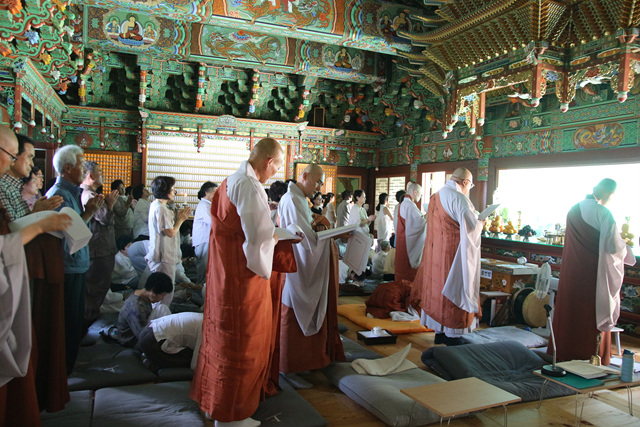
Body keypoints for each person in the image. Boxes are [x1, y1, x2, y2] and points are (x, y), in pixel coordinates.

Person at [191, 138, 297, 427]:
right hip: (243, 276)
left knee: (223, 338)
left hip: (226, 272)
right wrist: (280, 236)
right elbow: (259, 238)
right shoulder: (249, 185)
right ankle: (233, 415)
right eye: (276, 167)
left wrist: (270, 232)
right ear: (269, 161)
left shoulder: (231, 180)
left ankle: (216, 403)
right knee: (244, 342)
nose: (275, 173)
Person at [0, 126, 71, 426]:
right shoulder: (4, 186)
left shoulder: (10, 186)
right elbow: (8, 236)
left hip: (16, 271)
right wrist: (40, 224)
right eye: (16, 154)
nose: (28, 164)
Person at [550, 179, 636, 366]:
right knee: (591, 313)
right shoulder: (603, 213)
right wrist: (627, 250)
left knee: (570, 310)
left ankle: (564, 353)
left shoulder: (574, 209)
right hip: (593, 274)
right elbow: (613, 246)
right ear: (610, 194)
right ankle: (591, 358)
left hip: (572, 270)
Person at [278, 164, 345, 388]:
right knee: (292, 317)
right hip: (298, 267)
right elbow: (306, 240)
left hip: (302, 266)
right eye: (317, 182)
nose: (319, 188)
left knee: (298, 316)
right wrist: (330, 234)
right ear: (305, 176)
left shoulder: (298, 199)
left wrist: (322, 227)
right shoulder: (293, 200)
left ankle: (299, 365)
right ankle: (288, 368)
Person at [46, 145, 104, 373]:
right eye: (81, 165)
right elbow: (68, 231)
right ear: (68, 168)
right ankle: (64, 369)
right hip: (68, 265)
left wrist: (88, 212)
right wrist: (89, 212)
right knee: (68, 319)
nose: (84, 170)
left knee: (74, 318)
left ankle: (68, 363)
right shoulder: (59, 194)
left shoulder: (70, 191)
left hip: (76, 263)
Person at [412, 167, 483, 346]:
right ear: (465, 182)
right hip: (453, 256)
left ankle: (440, 332)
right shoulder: (459, 198)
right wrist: (481, 223)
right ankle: (453, 335)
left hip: (435, 255)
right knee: (454, 290)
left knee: (436, 290)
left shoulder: (436, 196)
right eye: (470, 185)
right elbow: (471, 228)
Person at [81, 161, 120, 328]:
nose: (102, 175)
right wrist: (110, 205)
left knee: (97, 291)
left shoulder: (90, 194)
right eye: (100, 172)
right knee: (95, 291)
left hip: (101, 248)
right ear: (91, 176)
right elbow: (105, 219)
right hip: (98, 249)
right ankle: (85, 329)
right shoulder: (89, 195)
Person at [145, 176, 191, 305]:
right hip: (164, 256)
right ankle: (161, 314)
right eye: (172, 188)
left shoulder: (156, 204)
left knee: (159, 289)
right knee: (165, 292)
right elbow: (170, 232)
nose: (174, 191)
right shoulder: (161, 209)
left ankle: (159, 313)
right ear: (165, 191)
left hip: (161, 254)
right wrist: (181, 220)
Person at [0, 134, 61, 220]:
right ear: (14, 155)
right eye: (29, 157)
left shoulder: (15, 187)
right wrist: (37, 211)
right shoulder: (3, 188)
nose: (32, 164)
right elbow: (10, 227)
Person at [116, 272, 173, 348]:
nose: (162, 298)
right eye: (162, 295)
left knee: (162, 308)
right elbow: (142, 335)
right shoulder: (136, 306)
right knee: (161, 309)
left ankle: (171, 338)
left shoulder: (142, 296)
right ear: (153, 290)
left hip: (141, 331)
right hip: (132, 340)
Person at [138, 312, 203, 372]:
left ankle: (151, 358)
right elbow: (195, 365)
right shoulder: (205, 329)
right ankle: (153, 363)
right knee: (191, 358)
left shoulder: (202, 317)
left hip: (148, 331)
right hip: (152, 341)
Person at [395, 182, 426, 282]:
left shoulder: (404, 203)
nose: (421, 196)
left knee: (402, 268)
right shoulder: (409, 205)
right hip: (407, 242)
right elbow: (419, 223)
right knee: (408, 271)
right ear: (415, 192)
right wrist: (428, 215)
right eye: (420, 194)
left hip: (402, 238)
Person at [193, 181, 217, 285]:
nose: (216, 194)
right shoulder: (204, 205)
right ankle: (199, 289)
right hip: (204, 239)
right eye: (214, 191)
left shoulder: (208, 205)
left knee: (207, 266)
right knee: (203, 267)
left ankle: (203, 288)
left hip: (207, 239)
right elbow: (212, 221)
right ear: (206, 192)